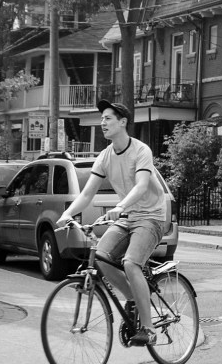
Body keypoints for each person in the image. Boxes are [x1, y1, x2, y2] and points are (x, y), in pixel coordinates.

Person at [57, 100, 168, 346]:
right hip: (128, 217)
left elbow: (141, 185)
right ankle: (134, 300)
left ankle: (148, 329)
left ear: (123, 122)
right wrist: (68, 215)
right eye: (102, 118)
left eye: (108, 118)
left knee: (130, 263)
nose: (103, 122)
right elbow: (87, 194)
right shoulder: (105, 156)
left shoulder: (141, 151)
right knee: (101, 257)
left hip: (151, 216)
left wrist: (119, 207)